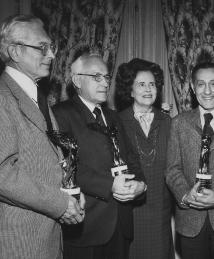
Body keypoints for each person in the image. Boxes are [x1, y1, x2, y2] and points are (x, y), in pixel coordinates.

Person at [0, 14, 85, 259]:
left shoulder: (38, 96)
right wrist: (60, 204)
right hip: (19, 240)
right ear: (15, 52)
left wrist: (72, 195)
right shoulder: (4, 98)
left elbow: (48, 159)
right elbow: (3, 172)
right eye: (42, 47)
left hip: (45, 237)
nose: (52, 54)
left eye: (52, 47)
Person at [53, 47, 147, 259]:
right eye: (96, 77)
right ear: (77, 80)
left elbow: (131, 158)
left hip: (121, 227)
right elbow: (64, 167)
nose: (105, 83)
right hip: (86, 228)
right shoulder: (61, 115)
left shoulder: (114, 117)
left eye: (106, 76)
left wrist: (140, 184)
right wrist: (109, 185)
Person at [115, 58, 174, 259]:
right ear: (130, 90)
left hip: (160, 213)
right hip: (128, 213)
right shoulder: (116, 122)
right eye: (141, 84)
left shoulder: (169, 123)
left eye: (152, 84)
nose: (148, 89)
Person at [166, 62, 214, 259]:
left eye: (213, 83)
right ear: (193, 88)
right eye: (201, 84)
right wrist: (186, 195)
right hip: (190, 223)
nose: (208, 90)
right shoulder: (179, 123)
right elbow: (172, 169)